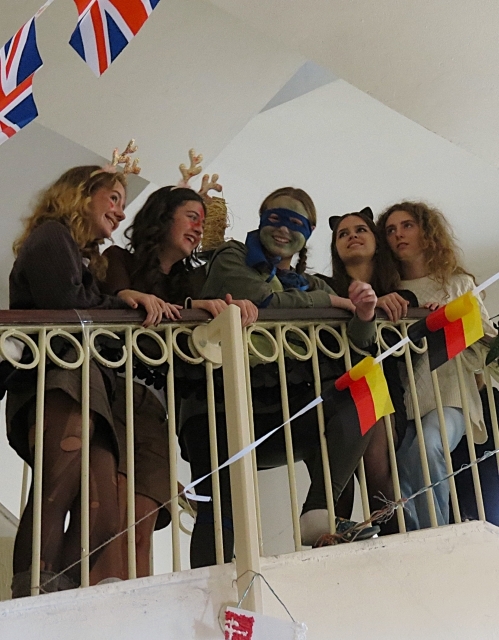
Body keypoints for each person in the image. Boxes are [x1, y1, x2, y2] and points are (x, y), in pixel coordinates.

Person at [180, 186, 380, 568]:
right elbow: (262, 301)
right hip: (217, 405)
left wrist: (365, 315)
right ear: (261, 220)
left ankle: (318, 513)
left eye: (295, 223)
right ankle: (208, 588)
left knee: (364, 394)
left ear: (308, 232)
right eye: (275, 218)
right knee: (220, 505)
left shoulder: (311, 284)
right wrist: (333, 302)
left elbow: (356, 346)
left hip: (282, 409)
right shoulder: (232, 256)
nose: (284, 229)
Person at [7, 166, 170, 597]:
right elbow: (66, 303)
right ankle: (32, 599)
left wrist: (117, 299)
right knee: (56, 491)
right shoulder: (52, 236)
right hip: (57, 376)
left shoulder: (81, 254)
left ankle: (57, 595)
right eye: (113, 198)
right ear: (81, 193)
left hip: (87, 380)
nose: (120, 212)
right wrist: (119, 301)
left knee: (103, 515)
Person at [96, 186, 257, 579]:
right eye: (191, 217)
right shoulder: (118, 259)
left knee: (143, 523)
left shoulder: (194, 280)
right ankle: (109, 600)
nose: (199, 228)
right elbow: (118, 300)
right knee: (116, 519)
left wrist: (232, 308)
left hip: (157, 406)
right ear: (163, 217)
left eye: (202, 220)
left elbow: (209, 319)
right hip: (115, 391)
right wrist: (186, 309)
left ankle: (140, 604)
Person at [377, 201, 496, 529]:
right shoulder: (392, 293)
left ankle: (437, 533)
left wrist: (449, 319)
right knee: (402, 468)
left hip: (452, 393)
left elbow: (485, 348)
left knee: (429, 446)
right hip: (407, 398)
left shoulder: (458, 284)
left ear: (426, 232)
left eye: (407, 225)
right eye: (391, 230)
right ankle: (422, 537)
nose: (398, 235)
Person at [317, 207, 418, 534]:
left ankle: (390, 539)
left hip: (381, 391)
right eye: (342, 234)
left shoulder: (400, 295)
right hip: (333, 391)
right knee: (339, 476)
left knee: (377, 462)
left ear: (375, 239)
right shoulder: (324, 289)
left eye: (360, 229)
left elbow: (406, 347)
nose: (352, 236)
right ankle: (333, 541)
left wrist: (381, 304)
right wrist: (356, 305)